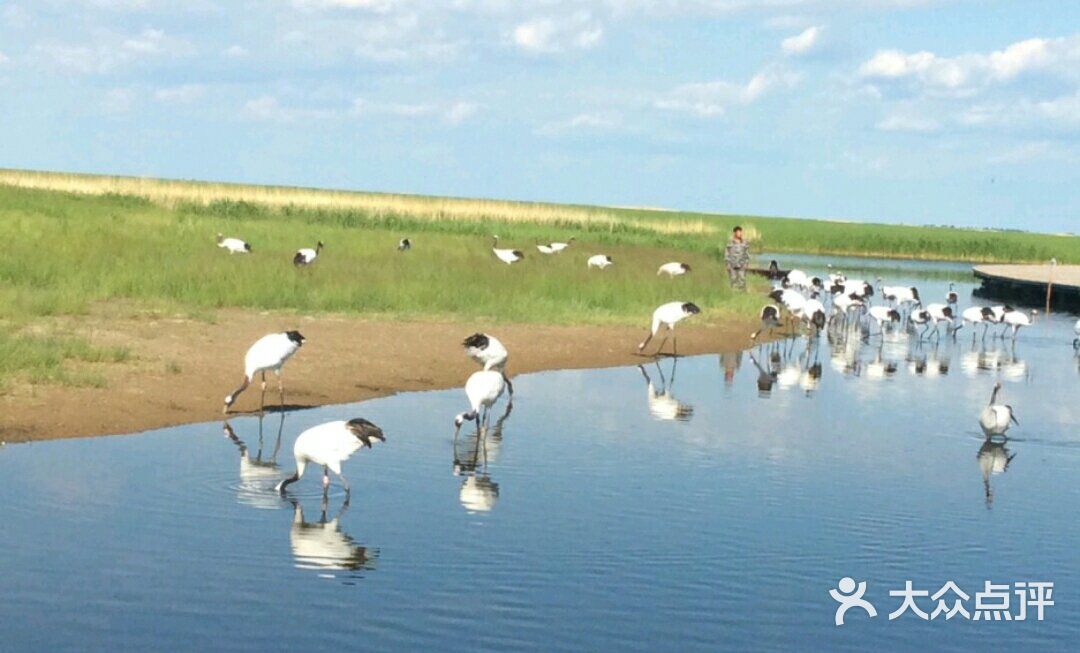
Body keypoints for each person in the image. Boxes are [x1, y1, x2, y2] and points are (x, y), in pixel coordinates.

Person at [725, 226, 751, 290]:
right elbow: (727, 254)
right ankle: (734, 293)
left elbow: (747, 254)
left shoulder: (744, 243)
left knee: (742, 279)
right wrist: (727, 264)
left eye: (740, 232)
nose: (740, 234)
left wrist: (746, 264)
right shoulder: (730, 242)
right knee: (733, 279)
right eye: (738, 232)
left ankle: (742, 293)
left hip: (742, 264)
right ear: (735, 233)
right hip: (732, 264)